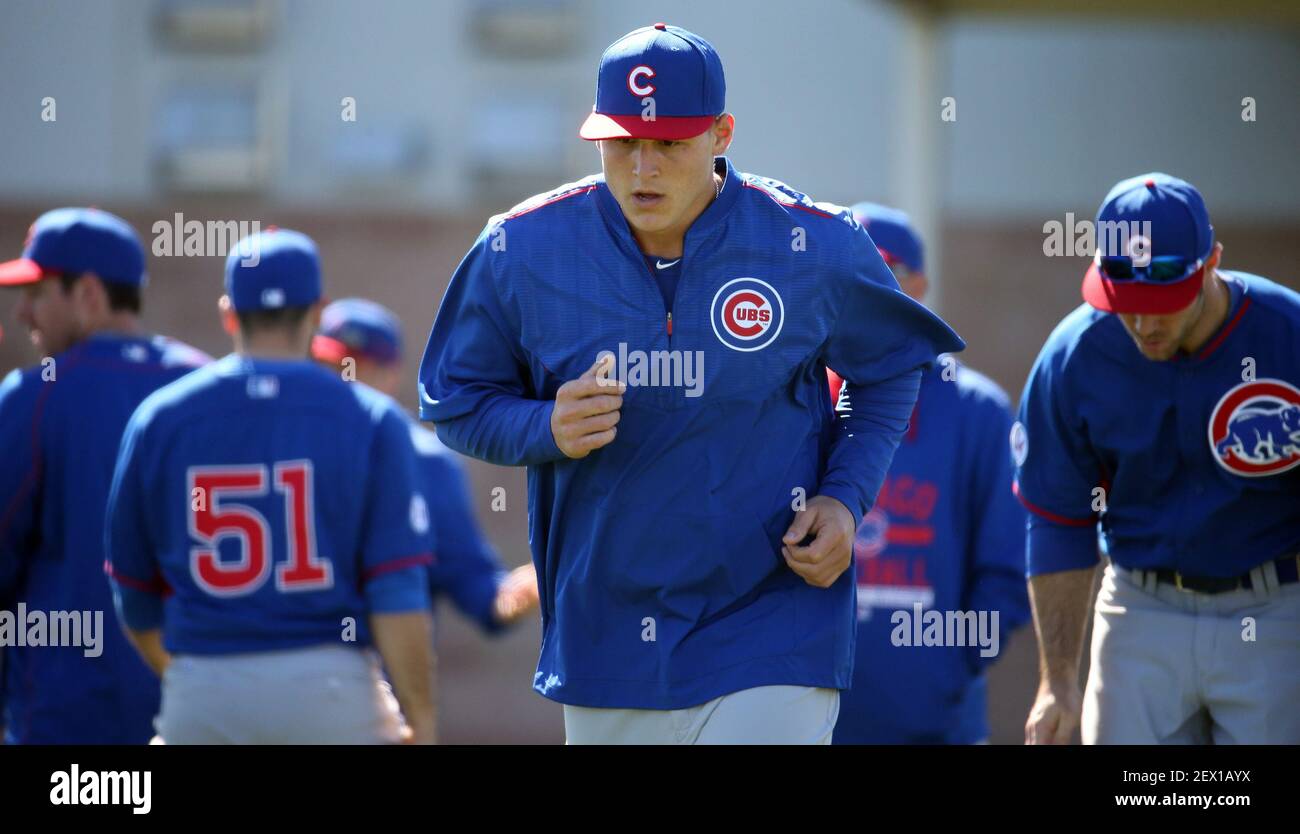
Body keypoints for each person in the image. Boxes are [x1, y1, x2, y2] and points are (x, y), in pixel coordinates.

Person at [418, 23, 964, 744]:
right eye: (621, 142)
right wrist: (542, 428)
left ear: (721, 134)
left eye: (669, 143)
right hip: (605, 638)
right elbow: (454, 401)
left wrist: (843, 497)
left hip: (772, 621)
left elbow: (893, 364)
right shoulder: (520, 247)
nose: (643, 167)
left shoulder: (813, 243)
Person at [104, 229, 437, 744]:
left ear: (228, 312)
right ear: (318, 310)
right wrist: (422, 718)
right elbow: (397, 595)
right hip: (329, 688)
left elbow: (132, 589)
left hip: (205, 684)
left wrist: (193, 679)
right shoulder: (370, 418)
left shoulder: (161, 418)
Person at [1017, 172, 1300, 745]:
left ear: (1212, 260)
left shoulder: (1287, 336)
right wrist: (1058, 681)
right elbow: (1058, 521)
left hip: (1272, 612)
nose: (1144, 323)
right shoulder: (1074, 358)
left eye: (1163, 302)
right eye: (1129, 305)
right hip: (1139, 611)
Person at [0, 207, 209, 744]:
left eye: (38, 292)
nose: (23, 311)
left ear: (88, 294)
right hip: (204, 710)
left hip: (69, 722)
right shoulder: (208, 387)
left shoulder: (36, 395)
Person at [828, 203, 1029, 744]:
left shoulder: (977, 410)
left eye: (885, 270)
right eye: (852, 270)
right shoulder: (797, 400)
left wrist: (951, 667)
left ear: (920, 286)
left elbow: (1006, 568)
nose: (866, 288)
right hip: (811, 717)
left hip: (936, 724)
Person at [311, 297, 539, 632]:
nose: (336, 382)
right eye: (326, 367)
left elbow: (483, 596)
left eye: (351, 368)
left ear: (390, 375)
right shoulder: (289, 446)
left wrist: (539, 580)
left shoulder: (424, 462)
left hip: (379, 678)